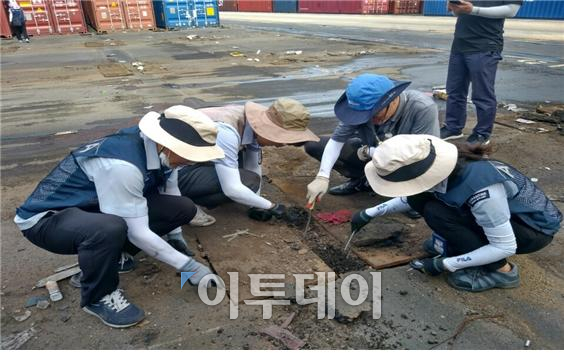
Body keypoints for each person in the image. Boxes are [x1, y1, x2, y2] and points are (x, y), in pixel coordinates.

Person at [14, 106, 225, 328]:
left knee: (182, 207)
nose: (192, 162)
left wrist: (176, 237)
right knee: (107, 229)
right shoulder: (122, 165)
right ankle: (98, 296)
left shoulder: (161, 150)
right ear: (168, 144)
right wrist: (189, 267)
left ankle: (112, 257)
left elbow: (170, 192)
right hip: (47, 220)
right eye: (190, 155)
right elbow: (137, 231)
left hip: (95, 208)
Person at [351, 134, 561, 292]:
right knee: (421, 200)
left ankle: (503, 272)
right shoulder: (442, 167)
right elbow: (412, 194)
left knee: (437, 213)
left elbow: (504, 246)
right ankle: (457, 244)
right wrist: (370, 213)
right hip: (505, 219)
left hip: (531, 231)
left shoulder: (483, 191)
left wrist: (445, 264)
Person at [305, 73, 440, 210]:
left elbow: (425, 155)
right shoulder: (360, 107)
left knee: (418, 200)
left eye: (374, 114)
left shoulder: (421, 108)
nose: (368, 120)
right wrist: (322, 176)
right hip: (374, 156)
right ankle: (363, 180)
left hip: (409, 162)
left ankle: (410, 196)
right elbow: (336, 142)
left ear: (392, 100)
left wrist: (369, 151)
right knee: (315, 145)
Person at [178, 98, 319, 221]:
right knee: (246, 181)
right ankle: (185, 203)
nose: (280, 145)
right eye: (280, 137)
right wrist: (272, 207)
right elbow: (232, 189)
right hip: (173, 172)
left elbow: (253, 166)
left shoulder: (251, 124)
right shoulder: (226, 132)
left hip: (199, 157)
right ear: (267, 128)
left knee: (249, 180)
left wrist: (256, 206)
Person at [440, 0, 522, 145]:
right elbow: (459, 13)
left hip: (485, 46)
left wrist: (473, 10)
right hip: (460, 45)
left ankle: (482, 134)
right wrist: (455, 8)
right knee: (454, 90)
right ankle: (453, 127)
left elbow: (511, 10)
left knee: (482, 94)